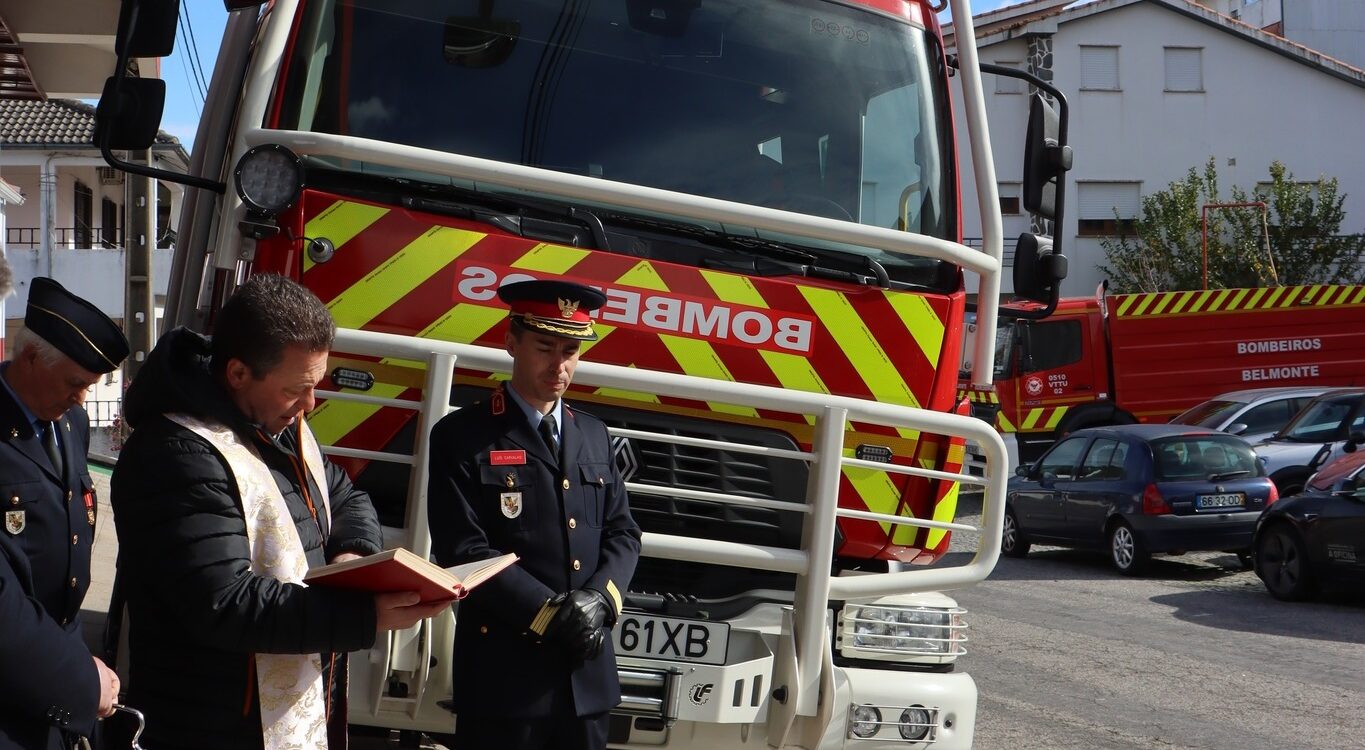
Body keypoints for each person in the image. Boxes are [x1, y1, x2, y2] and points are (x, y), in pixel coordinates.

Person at [110, 275, 449, 750]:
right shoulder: (178, 454)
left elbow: (347, 497)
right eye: (298, 388)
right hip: (212, 724)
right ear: (238, 374)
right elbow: (223, 603)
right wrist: (364, 615)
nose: (310, 404)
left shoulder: (273, 420)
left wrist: (354, 556)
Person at [428, 279, 642, 750]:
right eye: (545, 346)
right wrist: (551, 616)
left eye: (571, 350)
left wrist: (600, 602)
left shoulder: (595, 435)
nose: (559, 364)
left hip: (585, 678)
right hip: (505, 679)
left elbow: (623, 533)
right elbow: (463, 549)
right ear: (511, 343)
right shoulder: (462, 437)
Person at [0, 277, 125, 749]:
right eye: (76, 383)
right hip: (14, 669)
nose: (82, 399)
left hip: (63, 651)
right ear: (30, 358)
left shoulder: (68, 420)